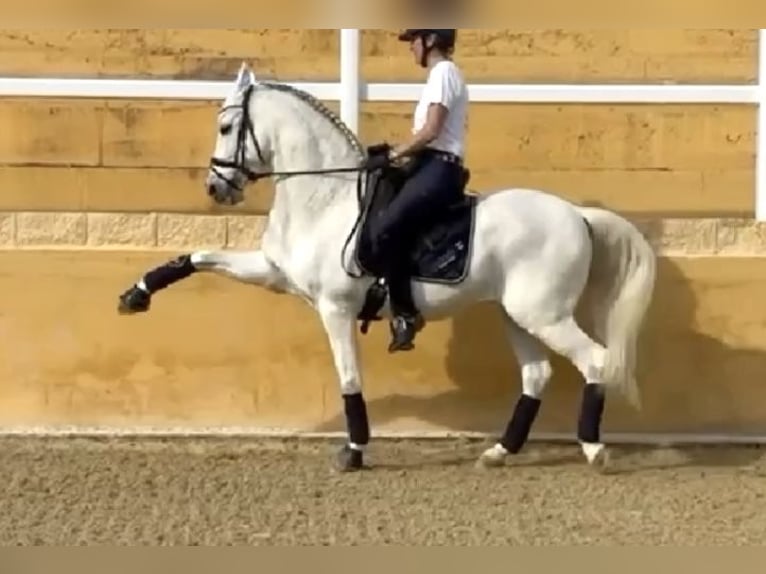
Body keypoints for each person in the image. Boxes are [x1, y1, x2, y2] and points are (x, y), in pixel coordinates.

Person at [364, 28, 469, 354]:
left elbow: (431, 131)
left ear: (431, 40)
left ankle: (406, 313)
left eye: (414, 40)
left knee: (386, 226)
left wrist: (393, 154)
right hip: (429, 164)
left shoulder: (443, 73)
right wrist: (392, 153)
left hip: (439, 169)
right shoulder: (440, 76)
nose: (411, 47)